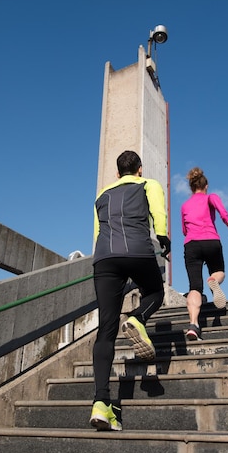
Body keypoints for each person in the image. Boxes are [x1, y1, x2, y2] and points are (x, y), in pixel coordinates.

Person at [89, 150, 171, 431]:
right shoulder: (148, 184)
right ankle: (137, 319)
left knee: (106, 330)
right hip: (137, 250)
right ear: (139, 169)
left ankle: (101, 403)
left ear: (116, 173)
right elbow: (159, 214)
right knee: (155, 292)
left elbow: (98, 232)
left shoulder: (101, 195)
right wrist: (163, 238)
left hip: (104, 258)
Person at [181, 167, 228, 341]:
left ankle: (193, 325)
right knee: (219, 271)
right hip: (211, 240)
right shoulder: (211, 197)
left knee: (195, 287)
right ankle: (214, 281)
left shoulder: (185, 205)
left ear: (191, 187)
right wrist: (227, 222)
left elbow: (184, 230)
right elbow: (220, 209)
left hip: (192, 245)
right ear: (206, 185)